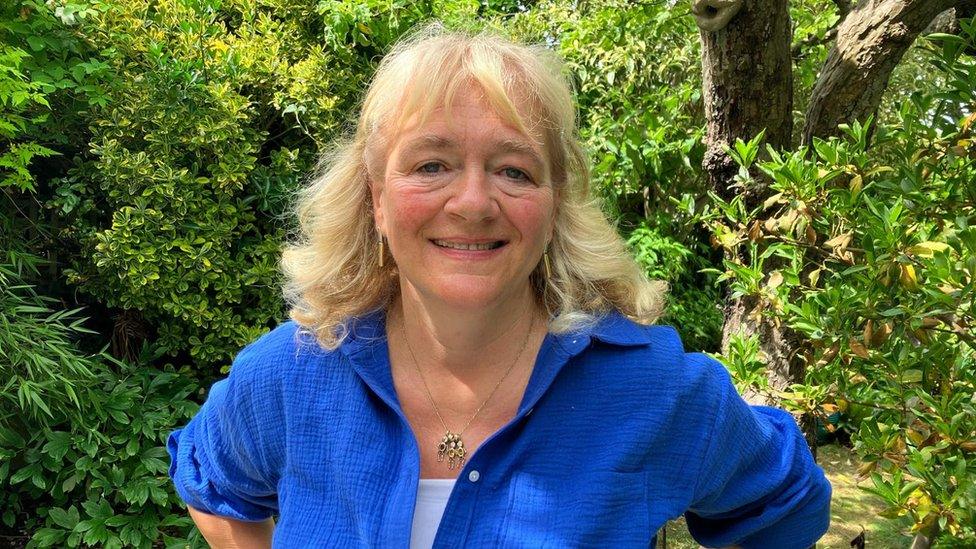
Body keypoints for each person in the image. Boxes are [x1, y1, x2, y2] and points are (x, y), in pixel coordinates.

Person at [167, 25, 831, 548]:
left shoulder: (654, 389)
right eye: (432, 164)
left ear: (554, 204)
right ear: (376, 199)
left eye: (514, 170)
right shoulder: (289, 374)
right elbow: (212, 482)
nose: (474, 201)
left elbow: (786, 507)